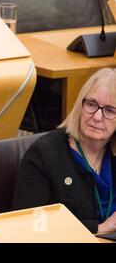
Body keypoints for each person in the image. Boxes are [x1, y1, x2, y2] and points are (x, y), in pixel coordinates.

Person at [13, 68, 116, 234]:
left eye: (109, 110)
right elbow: (30, 226)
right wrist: (101, 228)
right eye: (91, 104)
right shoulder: (43, 155)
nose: (97, 116)